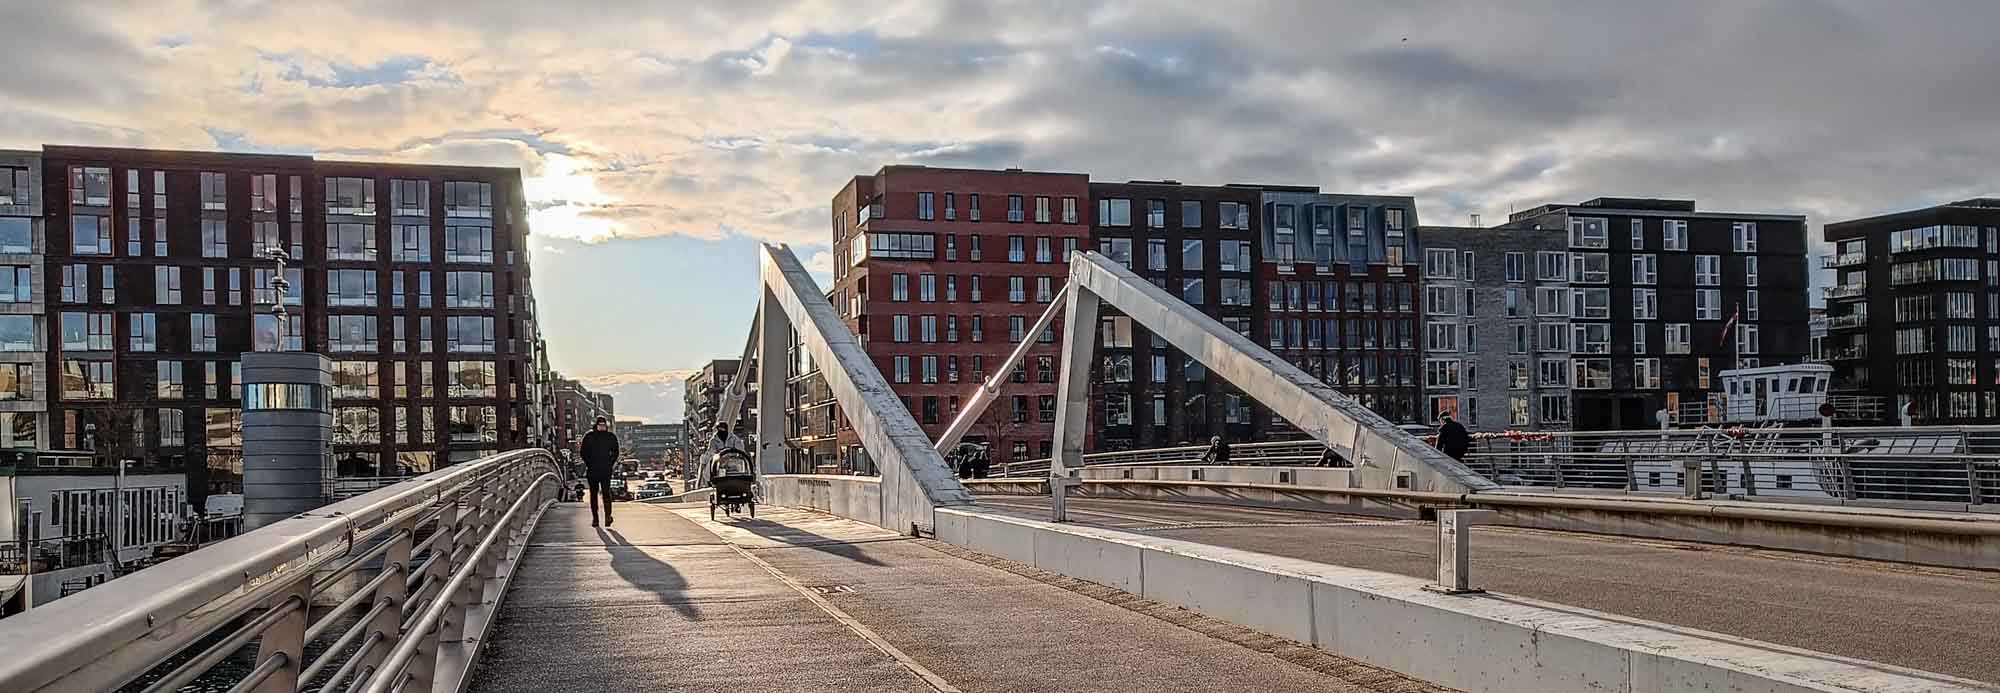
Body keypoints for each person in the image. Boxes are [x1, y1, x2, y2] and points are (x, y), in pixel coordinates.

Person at [578, 417, 621, 527]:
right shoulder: (589, 436)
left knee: (606, 493)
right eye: (600, 424)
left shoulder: (611, 437)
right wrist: (589, 463)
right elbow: (583, 452)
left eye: (604, 425)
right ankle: (595, 518)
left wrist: (610, 463)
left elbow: (616, 452)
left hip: (605, 470)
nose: (602, 426)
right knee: (593, 495)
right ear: (596, 425)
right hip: (593, 470)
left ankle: (608, 517)